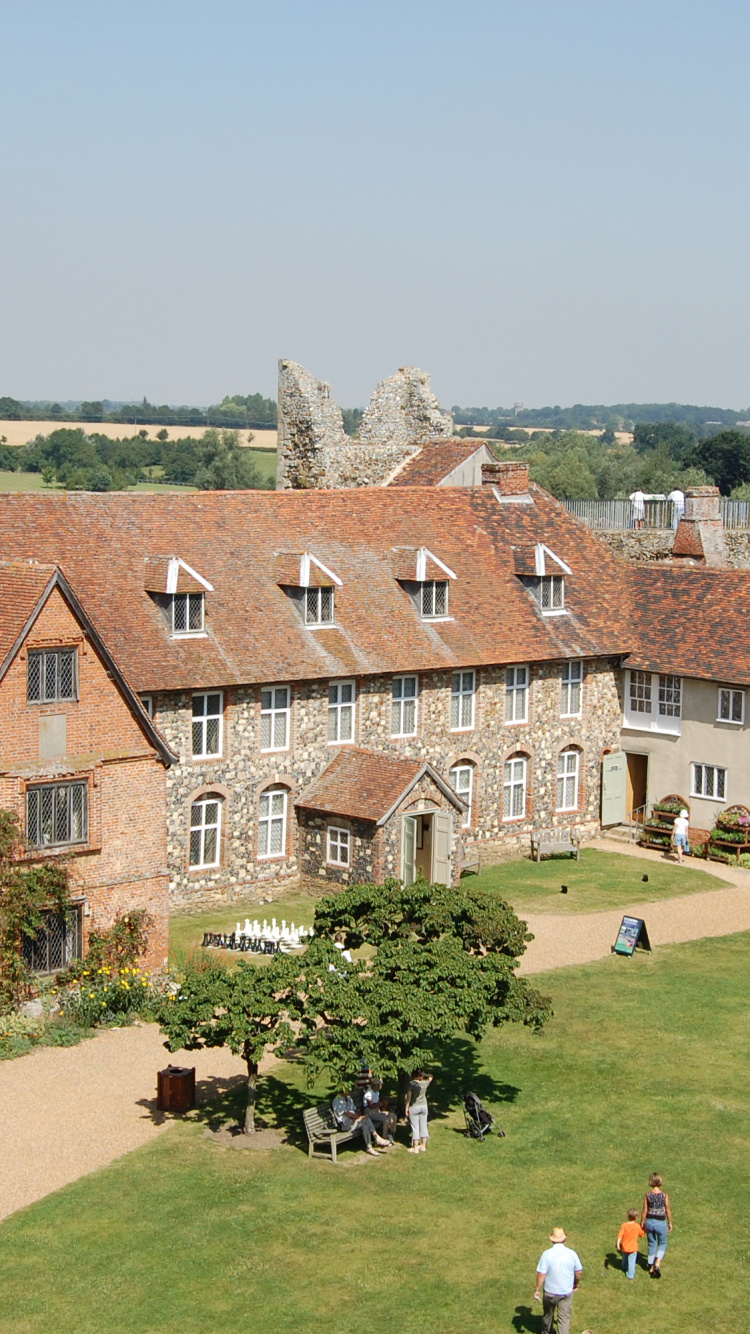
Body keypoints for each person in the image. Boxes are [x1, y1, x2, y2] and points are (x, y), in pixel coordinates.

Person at [533, 1227, 583, 1334]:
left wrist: (537, 1289)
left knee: (548, 1314)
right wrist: (576, 1283)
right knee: (564, 1318)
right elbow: (578, 1271)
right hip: (566, 1292)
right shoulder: (571, 1254)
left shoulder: (546, 1254)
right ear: (565, 1239)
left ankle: (547, 1332)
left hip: (550, 1292)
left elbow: (541, 1274)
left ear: (552, 1240)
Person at [331, 1090, 392, 1158]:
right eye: (348, 1089)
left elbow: (354, 1110)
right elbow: (349, 1114)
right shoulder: (337, 1101)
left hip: (353, 1121)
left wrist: (359, 1116)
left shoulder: (348, 1098)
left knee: (365, 1126)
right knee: (365, 1119)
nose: (350, 1090)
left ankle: (369, 1148)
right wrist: (360, 1117)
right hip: (345, 1124)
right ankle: (377, 1138)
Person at [641, 1173, 673, 1277]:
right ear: (659, 1182)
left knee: (651, 1243)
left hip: (650, 1221)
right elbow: (667, 1210)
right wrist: (670, 1222)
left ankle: (650, 1266)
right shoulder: (664, 1195)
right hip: (660, 1222)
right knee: (662, 1243)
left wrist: (642, 1222)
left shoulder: (647, 1195)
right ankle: (658, 1261)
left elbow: (645, 1210)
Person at [404, 1069, 432, 1153]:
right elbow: (431, 1076)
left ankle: (415, 1147)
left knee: (415, 1127)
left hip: (414, 1107)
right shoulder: (425, 1082)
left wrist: (406, 1107)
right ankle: (423, 1145)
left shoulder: (412, 1084)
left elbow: (408, 1098)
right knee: (423, 1126)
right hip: (423, 1106)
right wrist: (424, 1075)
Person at [363, 1078, 397, 1143]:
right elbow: (371, 1106)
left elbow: (378, 1103)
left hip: (376, 1110)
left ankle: (391, 1133)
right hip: (370, 1111)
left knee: (393, 1116)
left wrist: (383, 1105)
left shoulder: (377, 1092)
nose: (380, 1087)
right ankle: (384, 1137)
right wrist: (380, 1104)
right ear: (375, 1085)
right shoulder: (369, 1094)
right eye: (379, 1085)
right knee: (385, 1119)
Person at [617, 1208, 646, 1280]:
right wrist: (644, 1229)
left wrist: (618, 1244)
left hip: (624, 1246)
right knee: (632, 1261)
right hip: (633, 1247)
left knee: (624, 1258)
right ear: (636, 1217)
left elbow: (620, 1235)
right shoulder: (637, 1226)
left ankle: (624, 1267)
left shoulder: (624, 1225)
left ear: (628, 1216)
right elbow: (642, 1235)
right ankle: (630, 1275)